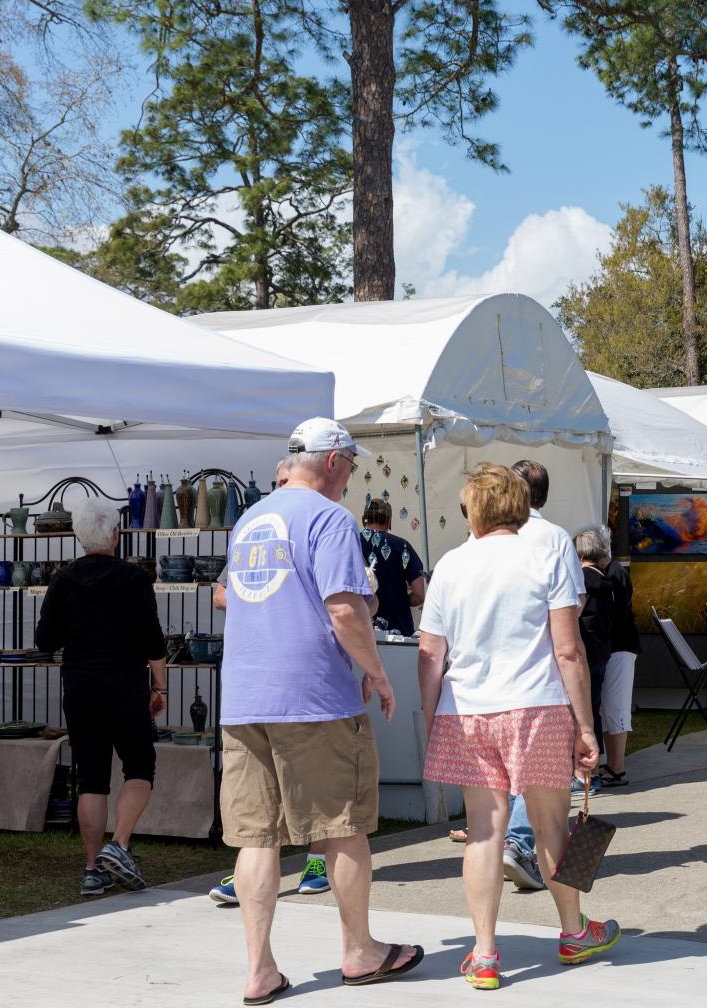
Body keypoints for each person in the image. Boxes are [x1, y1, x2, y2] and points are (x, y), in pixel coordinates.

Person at [221, 418, 421, 1004]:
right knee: (343, 827)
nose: (350, 480)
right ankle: (360, 952)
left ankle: (259, 969)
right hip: (310, 695)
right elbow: (341, 608)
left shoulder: (251, 517)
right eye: (352, 468)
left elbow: (237, 596)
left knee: (255, 838)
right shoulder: (330, 518)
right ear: (334, 460)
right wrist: (379, 672)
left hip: (244, 694)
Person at [418, 464, 618, 989]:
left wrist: (431, 714)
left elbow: (430, 653)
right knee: (551, 825)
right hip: (537, 705)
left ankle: (484, 954)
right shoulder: (545, 553)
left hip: (466, 711)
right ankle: (574, 932)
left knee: (484, 831)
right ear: (521, 505)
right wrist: (587, 727)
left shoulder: (451, 565)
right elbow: (569, 649)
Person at [209, 457, 330, 905]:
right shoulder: (254, 527)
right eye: (278, 482)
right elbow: (220, 591)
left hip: (307, 681)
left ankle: (316, 862)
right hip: (257, 680)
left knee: (318, 792)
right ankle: (254, 874)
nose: (283, 489)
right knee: (262, 800)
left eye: (286, 481)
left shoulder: (323, 523)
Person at [35, 499, 165, 898]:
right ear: (114, 534)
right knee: (140, 768)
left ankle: (93, 869)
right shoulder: (134, 578)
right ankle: (119, 845)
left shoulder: (63, 579)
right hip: (126, 686)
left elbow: (45, 641)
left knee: (91, 777)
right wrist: (159, 687)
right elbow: (154, 641)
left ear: (77, 535)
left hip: (81, 687)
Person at [501, 459, 587, 891]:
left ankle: (484, 945)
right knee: (542, 774)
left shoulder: (483, 538)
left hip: (489, 681)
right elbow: (574, 608)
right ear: (545, 496)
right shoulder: (553, 537)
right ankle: (519, 844)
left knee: (506, 781)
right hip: (543, 672)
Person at [596, 526, 640, 787]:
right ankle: (612, 764)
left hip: (620, 647)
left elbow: (619, 614)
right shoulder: (612, 572)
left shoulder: (615, 573)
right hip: (616, 646)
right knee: (610, 707)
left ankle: (617, 766)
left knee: (616, 707)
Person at [573, 526, 615, 788]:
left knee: (582, 713)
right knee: (593, 711)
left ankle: (584, 775)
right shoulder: (606, 579)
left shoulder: (583, 579)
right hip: (602, 649)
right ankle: (593, 772)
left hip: (586, 649)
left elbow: (575, 611)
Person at [359, 498, 426, 636]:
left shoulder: (350, 543)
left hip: (360, 633)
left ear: (363, 520)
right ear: (389, 521)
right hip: (399, 633)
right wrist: (398, 599)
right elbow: (420, 594)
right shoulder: (403, 547)